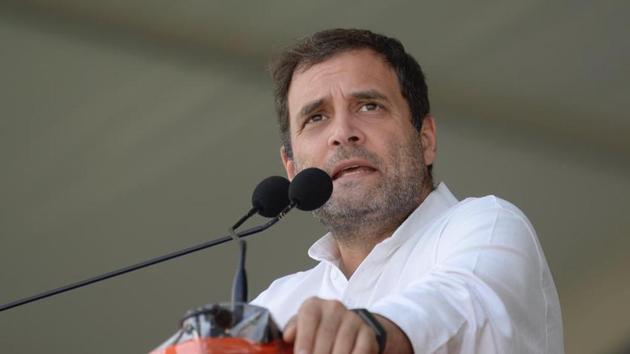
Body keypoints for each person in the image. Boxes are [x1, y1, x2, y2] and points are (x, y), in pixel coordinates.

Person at [251, 29, 563, 354]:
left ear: (425, 139)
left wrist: (368, 330)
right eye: (316, 117)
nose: (342, 133)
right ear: (292, 168)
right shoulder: (274, 308)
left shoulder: (487, 225)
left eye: (369, 106)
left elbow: (457, 305)